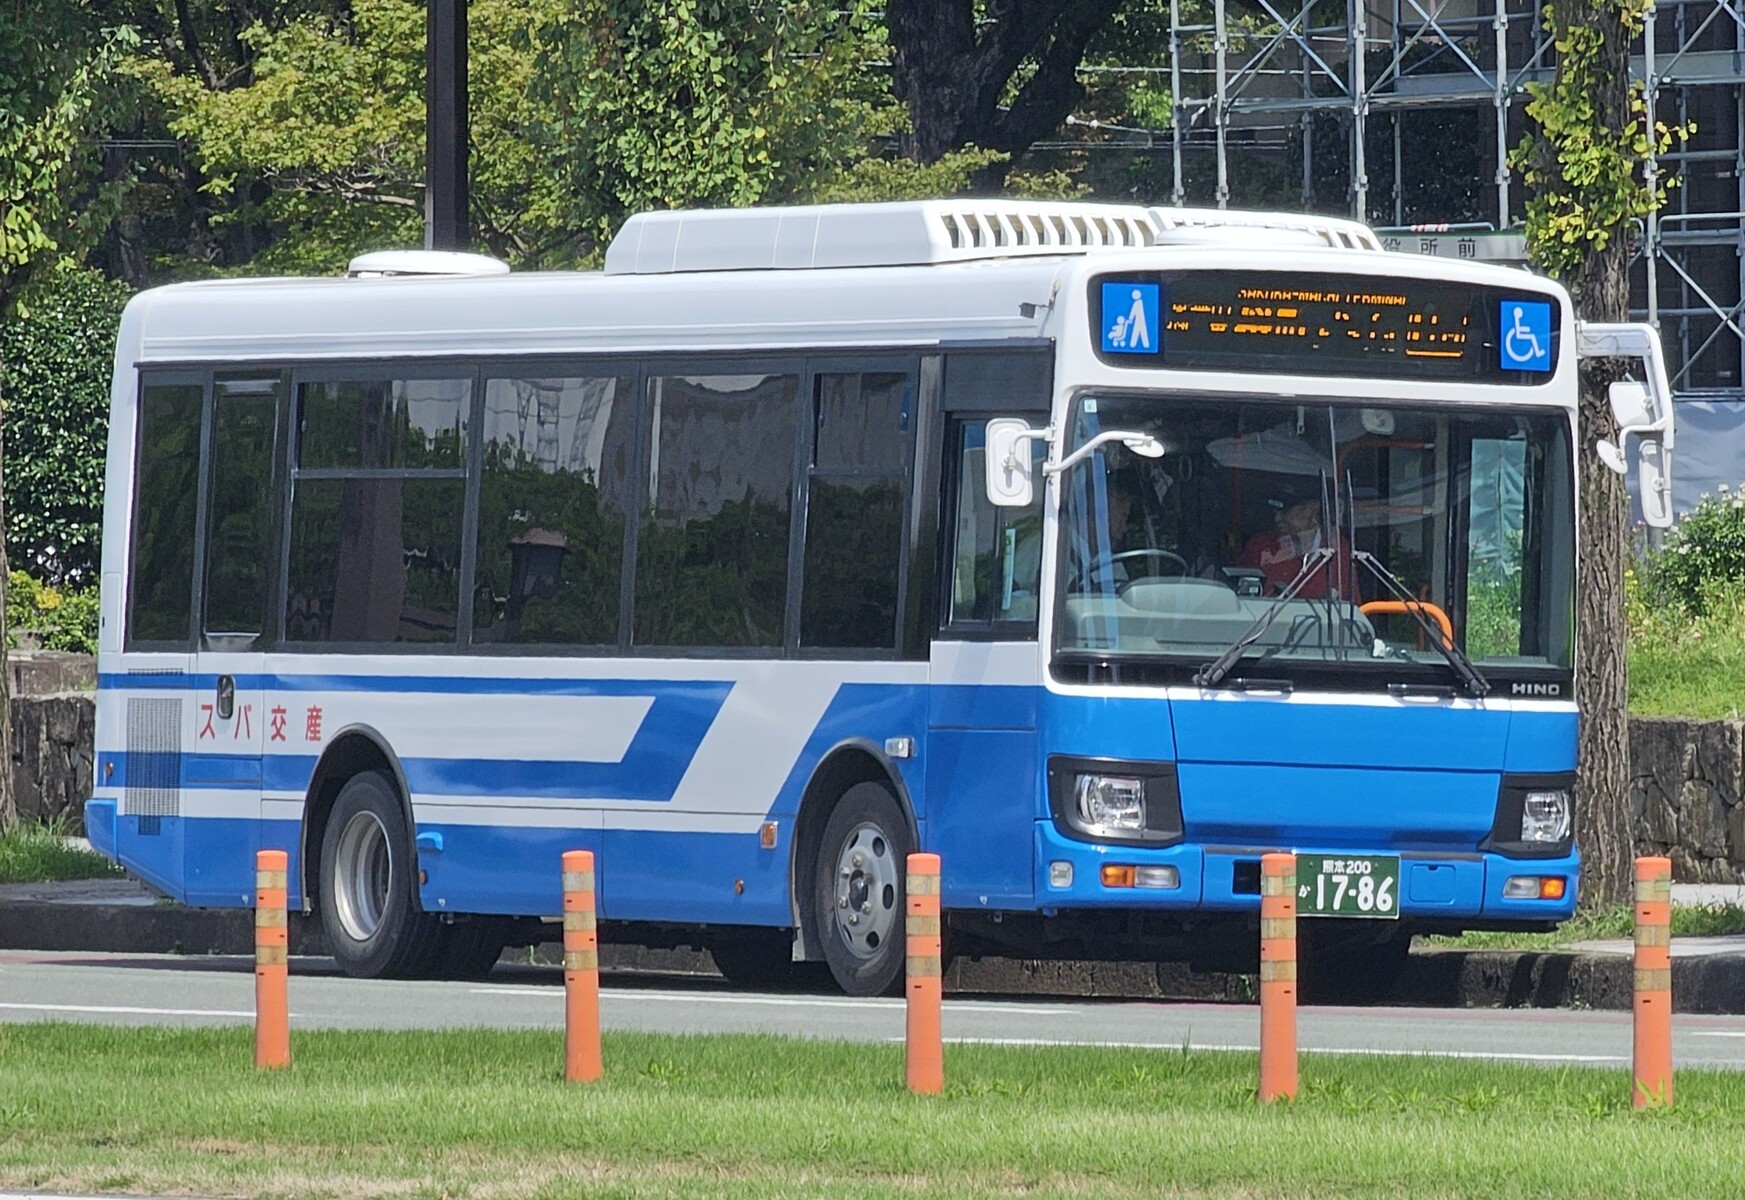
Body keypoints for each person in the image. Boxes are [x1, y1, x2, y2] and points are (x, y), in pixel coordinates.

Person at [1241, 489, 1356, 599]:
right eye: (1275, 512)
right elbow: (1244, 595)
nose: (1277, 518)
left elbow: (1351, 604)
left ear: (1311, 511)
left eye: (1286, 512)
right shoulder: (1260, 545)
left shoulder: (1337, 547)